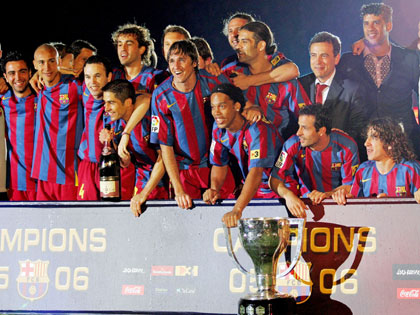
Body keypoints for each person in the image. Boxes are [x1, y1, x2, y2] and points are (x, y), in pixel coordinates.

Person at [150, 39, 234, 210]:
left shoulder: (213, 82)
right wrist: (179, 190)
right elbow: (165, 146)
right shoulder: (160, 96)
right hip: (184, 171)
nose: (176, 66)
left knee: (226, 217)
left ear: (194, 63)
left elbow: (237, 110)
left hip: (217, 166)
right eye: (172, 61)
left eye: (181, 60)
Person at [337, 2, 420, 158]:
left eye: (376, 22)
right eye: (366, 23)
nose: (370, 28)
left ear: (388, 26)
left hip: (404, 142)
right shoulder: (349, 61)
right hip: (363, 145)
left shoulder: (410, 59)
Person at [203, 83, 282, 227]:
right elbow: (219, 164)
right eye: (213, 107)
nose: (216, 113)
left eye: (222, 106)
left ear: (237, 106)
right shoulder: (218, 127)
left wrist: (238, 210)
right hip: (251, 189)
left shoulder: (258, 128)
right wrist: (214, 189)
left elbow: (256, 172)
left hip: (276, 190)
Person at [269, 104, 360, 218]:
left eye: (304, 128)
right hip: (305, 207)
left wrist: (326, 195)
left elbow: (350, 186)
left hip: (339, 206)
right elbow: (274, 180)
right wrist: (288, 196)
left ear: (321, 131)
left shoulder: (347, 146)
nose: (298, 133)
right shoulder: (291, 145)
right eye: (299, 126)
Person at [225, 21, 301, 141]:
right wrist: (248, 105)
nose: (237, 46)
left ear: (261, 46)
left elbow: (292, 69)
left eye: (244, 42)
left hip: (280, 150)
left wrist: (249, 81)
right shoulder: (231, 73)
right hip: (243, 151)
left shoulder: (286, 81)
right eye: (238, 41)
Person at [100, 79, 168, 216]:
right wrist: (118, 153)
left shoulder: (150, 117)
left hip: (168, 177)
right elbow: (125, 162)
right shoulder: (113, 122)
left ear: (128, 103)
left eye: (111, 103)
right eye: (105, 103)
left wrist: (145, 193)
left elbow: (165, 157)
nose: (106, 108)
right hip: (143, 178)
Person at [298, 31, 367, 160]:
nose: (317, 61)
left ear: (336, 58)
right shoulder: (299, 85)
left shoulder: (353, 89)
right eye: (313, 55)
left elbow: (357, 132)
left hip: (338, 162)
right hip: (303, 165)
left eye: (324, 55)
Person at [31, 43, 84, 201]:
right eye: (41, 62)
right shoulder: (37, 88)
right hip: (43, 173)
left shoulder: (74, 86)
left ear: (59, 62)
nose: (47, 67)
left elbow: (97, 80)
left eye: (51, 61)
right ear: (34, 65)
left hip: (69, 172)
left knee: (72, 223)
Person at [333, 117, 420, 204]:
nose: (366, 143)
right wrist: (343, 197)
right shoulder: (363, 170)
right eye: (367, 137)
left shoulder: (410, 169)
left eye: (374, 137)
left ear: (391, 143)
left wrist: (391, 205)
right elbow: (355, 205)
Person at [219, 13, 299, 90]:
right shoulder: (228, 63)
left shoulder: (269, 56)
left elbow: (291, 70)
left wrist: (248, 80)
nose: (234, 34)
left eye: (240, 29)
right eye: (230, 31)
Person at [0, 51, 37, 200]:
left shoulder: (43, 100)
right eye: (12, 73)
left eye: (22, 71)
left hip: (43, 180)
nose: (17, 78)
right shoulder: (3, 101)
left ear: (29, 73)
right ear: (5, 77)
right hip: (15, 182)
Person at [77, 55, 113, 200]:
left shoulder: (117, 99)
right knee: (85, 217)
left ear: (109, 77)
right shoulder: (85, 91)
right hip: (87, 166)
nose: (92, 82)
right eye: (88, 76)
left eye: (97, 76)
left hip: (111, 166)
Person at [111, 23, 161, 93]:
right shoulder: (112, 75)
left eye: (129, 44)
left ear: (141, 49)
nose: (123, 49)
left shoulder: (155, 77)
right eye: (120, 44)